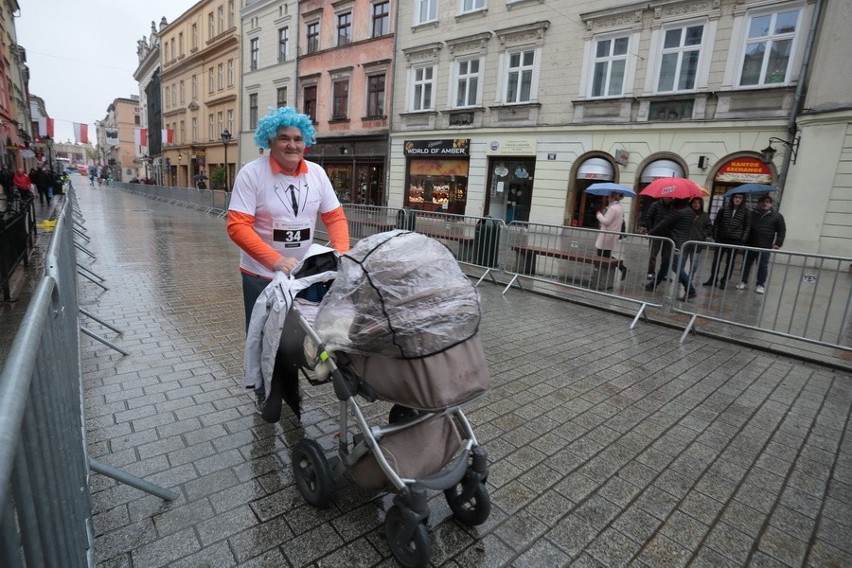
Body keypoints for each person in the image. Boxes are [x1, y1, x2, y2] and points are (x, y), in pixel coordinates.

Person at [227, 106, 350, 409]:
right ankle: (264, 391)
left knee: (295, 336)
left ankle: (290, 388)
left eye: (298, 138)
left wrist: (342, 254)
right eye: (284, 138)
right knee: (262, 333)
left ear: (306, 141)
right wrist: (275, 260)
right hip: (261, 274)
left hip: (300, 275)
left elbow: (334, 217)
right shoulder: (252, 174)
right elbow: (237, 226)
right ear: (270, 140)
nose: (292, 145)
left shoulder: (317, 174)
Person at [646, 198, 697, 300]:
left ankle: (691, 290)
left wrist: (650, 233)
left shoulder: (677, 213)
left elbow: (663, 224)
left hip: (674, 243)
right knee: (665, 264)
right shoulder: (690, 211)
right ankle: (653, 284)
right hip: (684, 241)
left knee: (676, 267)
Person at [736, 194, 786, 294]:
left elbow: (782, 230)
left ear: (771, 204)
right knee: (746, 264)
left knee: (763, 266)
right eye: (763, 202)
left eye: (767, 202)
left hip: (765, 245)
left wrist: (778, 243)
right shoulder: (752, 214)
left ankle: (760, 284)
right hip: (750, 243)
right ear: (759, 203)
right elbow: (745, 226)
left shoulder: (777, 216)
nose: (765, 204)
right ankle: (743, 281)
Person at [704, 193, 750, 289]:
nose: (737, 199)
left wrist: (742, 239)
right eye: (736, 197)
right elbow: (716, 223)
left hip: (735, 240)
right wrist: (715, 235)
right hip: (722, 238)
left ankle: (724, 281)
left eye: (740, 198)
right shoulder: (723, 209)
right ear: (732, 198)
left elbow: (747, 227)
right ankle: (713, 279)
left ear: (743, 199)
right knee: (716, 260)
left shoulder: (745, 212)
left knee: (730, 262)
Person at [594, 191, 627, 279]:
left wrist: (599, 215)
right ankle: (621, 267)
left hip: (606, 235)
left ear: (612, 198)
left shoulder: (612, 208)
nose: (607, 198)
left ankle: (597, 276)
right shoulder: (619, 207)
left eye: (609, 197)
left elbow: (606, 222)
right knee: (606, 255)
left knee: (601, 256)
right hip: (613, 234)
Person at [639, 197, 673, 280]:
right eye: (669, 197)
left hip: (668, 234)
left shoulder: (673, 206)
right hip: (656, 233)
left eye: (672, 197)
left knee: (666, 256)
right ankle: (651, 272)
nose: (670, 198)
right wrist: (651, 230)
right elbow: (648, 217)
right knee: (653, 255)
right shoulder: (655, 205)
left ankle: (663, 273)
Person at [683, 197, 713, 285]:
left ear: (701, 205)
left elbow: (710, 227)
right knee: (681, 261)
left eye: (698, 203)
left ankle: (690, 278)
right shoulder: (686, 213)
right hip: (685, 241)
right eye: (694, 203)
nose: (696, 205)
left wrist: (703, 234)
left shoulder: (704, 215)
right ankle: (682, 277)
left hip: (697, 243)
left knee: (694, 263)